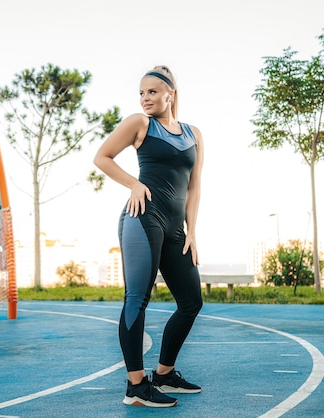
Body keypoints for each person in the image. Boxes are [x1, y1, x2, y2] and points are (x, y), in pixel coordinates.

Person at [93, 65, 204, 408]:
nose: (145, 98)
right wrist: (134, 183)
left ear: (170, 94)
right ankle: (136, 386)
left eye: (152, 92)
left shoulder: (193, 133)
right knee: (137, 298)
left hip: (175, 228)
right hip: (143, 218)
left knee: (191, 302)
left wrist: (192, 231)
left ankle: (165, 373)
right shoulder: (140, 124)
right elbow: (102, 157)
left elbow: (195, 185)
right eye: (141, 93)